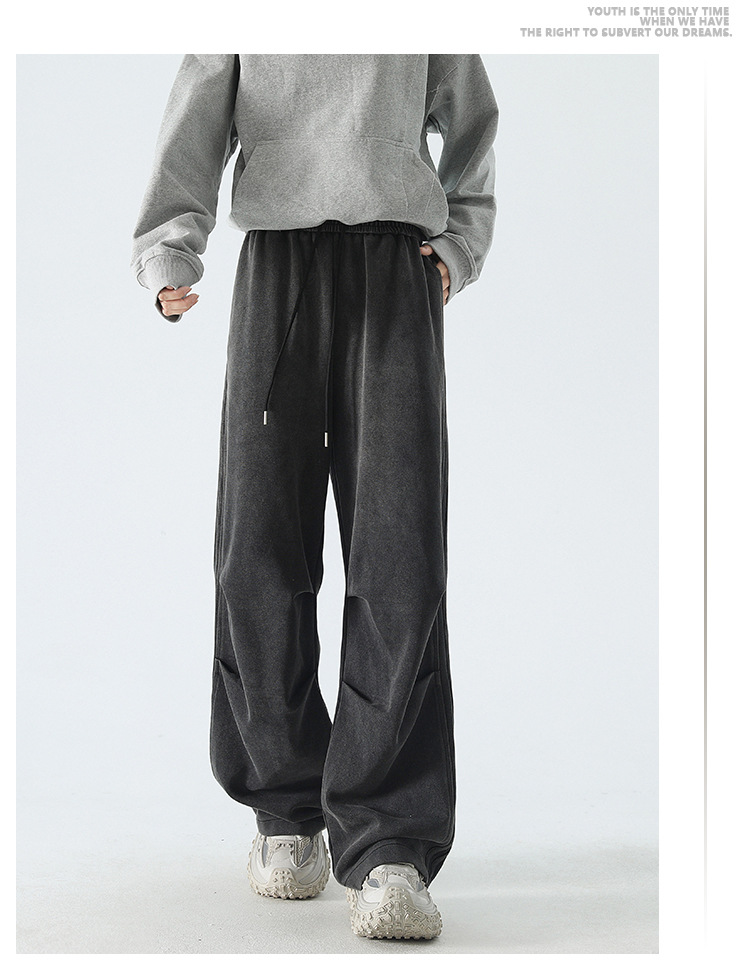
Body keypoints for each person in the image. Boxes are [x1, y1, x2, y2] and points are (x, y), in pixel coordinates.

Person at [131, 54, 497, 941]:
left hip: (397, 269)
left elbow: (473, 121)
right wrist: (171, 247)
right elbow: (195, 124)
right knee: (257, 549)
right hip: (276, 266)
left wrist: (458, 247)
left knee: (399, 554)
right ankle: (286, 809)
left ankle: (389, 841)